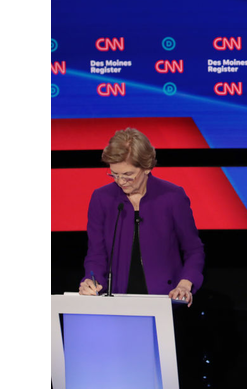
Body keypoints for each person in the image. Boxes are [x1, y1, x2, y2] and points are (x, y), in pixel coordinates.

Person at [78, 128, 205, 307]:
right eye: (114, 174)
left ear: (147, 167)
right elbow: (96, 254)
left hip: (166, 300)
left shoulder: (173, 196)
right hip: (115, 301)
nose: (121, 181)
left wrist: (185, 283)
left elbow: (193, 250)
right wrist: (91, 280)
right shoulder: (102, 198)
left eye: (128, 175)